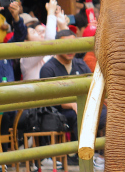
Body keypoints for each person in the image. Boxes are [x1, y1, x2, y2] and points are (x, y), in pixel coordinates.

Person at [40, 29, 105, 166]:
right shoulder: (48, 68)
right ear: (57, 45)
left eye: (74, 44)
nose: (71, 49)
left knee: (109, 114)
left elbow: (92, 87)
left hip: (84, 106)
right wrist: (72, 104)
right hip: (60, 111)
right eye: (66, 45)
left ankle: (105, 155)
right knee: (79, 115)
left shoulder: (80, 64)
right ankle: (84, 157)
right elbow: (52, 99)